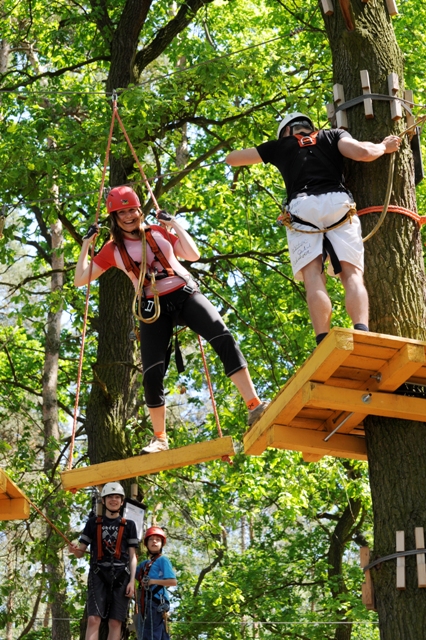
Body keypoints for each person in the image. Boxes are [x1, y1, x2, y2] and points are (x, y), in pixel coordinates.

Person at [74, 185, 268, 454]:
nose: (129, 216)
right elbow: (80, 278)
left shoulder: (158, 232)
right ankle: (160, 438)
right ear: (114, 218)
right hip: (152, 307)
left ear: (140, 210)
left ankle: (254, 404)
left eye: (132, 210)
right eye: (122, 213)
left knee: (223, 337)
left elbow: (192, 255)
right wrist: (87, 244)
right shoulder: (112, 250)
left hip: (185, 295)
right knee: (152, 374)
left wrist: (174, 223)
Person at [225, 112, 401, 345]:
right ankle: (362, 331)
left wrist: (272, 149)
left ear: (287, 131)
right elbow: (362, 153)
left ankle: (323, 340)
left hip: (302, 209)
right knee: (351, 275)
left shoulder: (280, 146)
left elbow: (232, 159)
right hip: (339, 204)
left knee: (313, 276)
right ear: (309, 126)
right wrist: (383, 147)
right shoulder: (333, 135)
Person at [68, 482, 138, 640]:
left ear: (121, 501)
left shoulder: (129, 525)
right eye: (110, 497)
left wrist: (132, 581)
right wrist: (74, 550)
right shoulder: (93, 523)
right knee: (93, 619)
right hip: (98, 574)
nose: (113, 500)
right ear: (104, 501)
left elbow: (133, 556)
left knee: (115, 622)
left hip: (121, 576)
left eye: (117, 497)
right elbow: (80, 552)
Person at [135, 526, 177, 640]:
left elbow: (173, 582)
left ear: (162, 544)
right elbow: (132, 572)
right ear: (146, 544)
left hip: (155, 602)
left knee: (151, 635)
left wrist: (152, 581)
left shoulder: (162, 560)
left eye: (157, 540)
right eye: (151, 539)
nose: (154, 541)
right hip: (144, 603)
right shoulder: (144, 564)